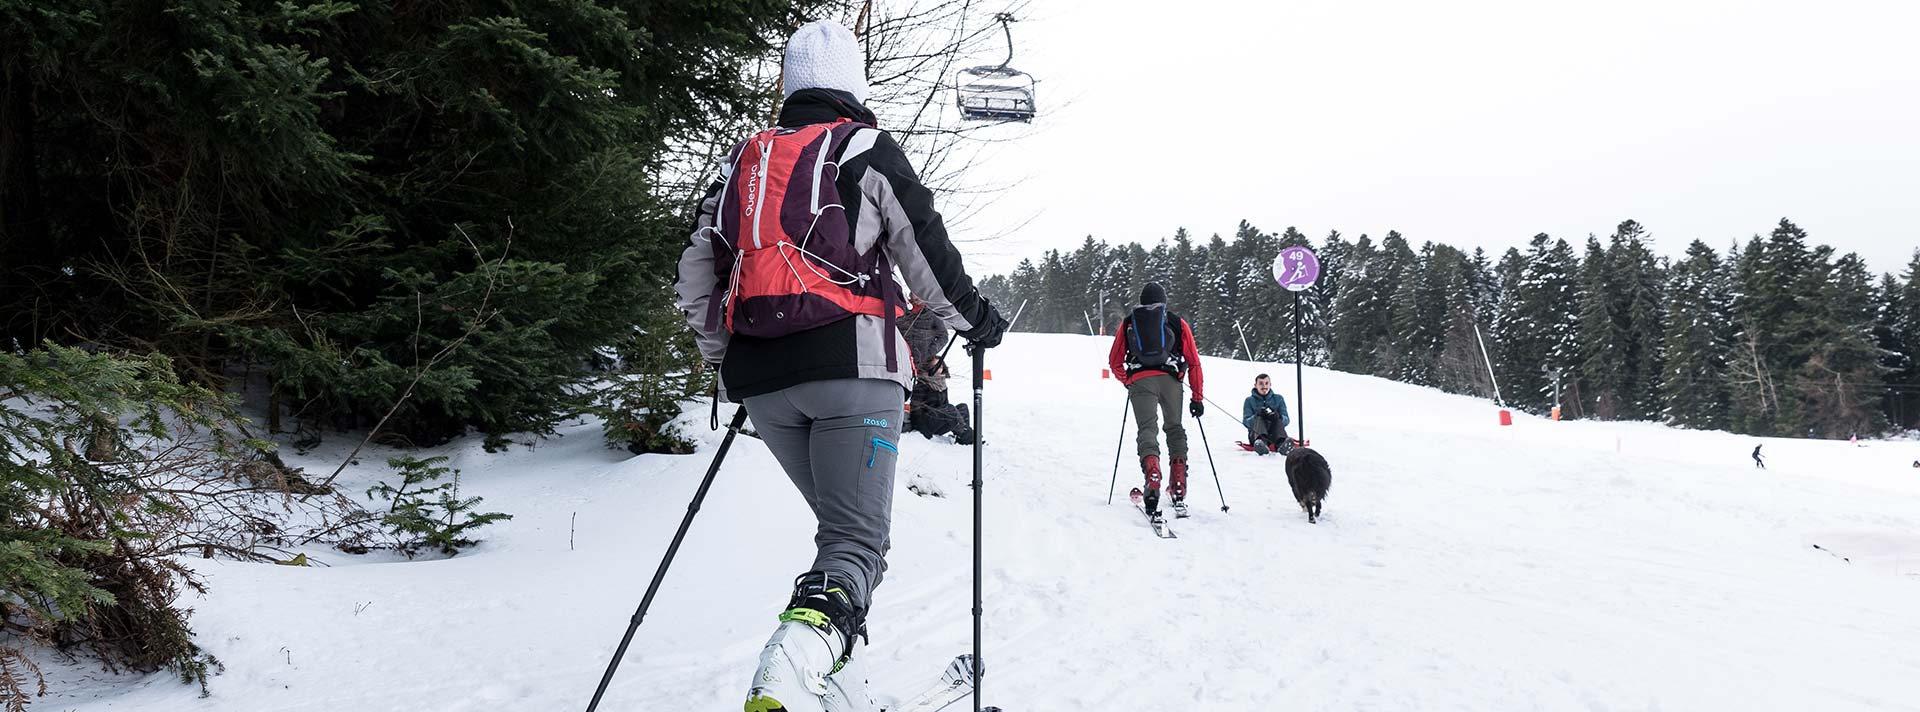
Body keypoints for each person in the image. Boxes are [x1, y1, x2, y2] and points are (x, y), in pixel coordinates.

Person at [673, 19, 1009, 712]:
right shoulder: (865, 148)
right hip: (853, 375)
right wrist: (976, 321)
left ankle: (840, 689)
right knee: (858, 546)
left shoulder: (746, 161)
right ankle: (791, 674)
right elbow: (925, 250)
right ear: (854, 87)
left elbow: (696, 273)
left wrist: (727, 359)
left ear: (790, 87)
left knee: (842, 542)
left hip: (764, 387)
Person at [1107, 282, 1205, 517]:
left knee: (1147, 430)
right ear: (1163, 301)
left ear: (1142, 301)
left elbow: (1114, 361)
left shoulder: (1130, 321)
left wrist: (1129, 381)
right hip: (1171, 381)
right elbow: (1194, 361)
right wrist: (1197, 397)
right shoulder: (1175, 321)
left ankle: (1152, 474)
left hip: (1141, 380)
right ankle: (1178, 482)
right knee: (1174, 428)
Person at [906, 355, 974, 444]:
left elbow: (945, 405)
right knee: (950, 409)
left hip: (938, 419)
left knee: (962, 408)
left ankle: (962, 436)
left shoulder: (941, 384)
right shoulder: (922, 385)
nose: (939, 369)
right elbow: (915, 410)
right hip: (926, 424)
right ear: (929, 367)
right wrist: (923, 431)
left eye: (941, 366)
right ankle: (969, 436)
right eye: (935, 366)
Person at [1241, 373, 1291, 456]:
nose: (1264, 386)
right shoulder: (1249, 400)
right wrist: (1257, 415)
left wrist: (1279, 416)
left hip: (1275, 433)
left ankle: (1282, 444)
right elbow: (1246, 421)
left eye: (1266, 383)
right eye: (1261, 383)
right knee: (1259, 418)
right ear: (1255, 385)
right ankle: (1261, 444)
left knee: (1277, 419)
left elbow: (1287, 419)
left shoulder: (1278, 399)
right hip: (1256, 435)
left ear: (1270, 384)